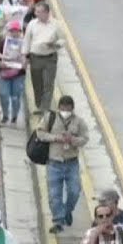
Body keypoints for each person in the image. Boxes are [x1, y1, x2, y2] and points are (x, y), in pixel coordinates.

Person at [37, 95, 89, 233]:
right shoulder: (50, 118)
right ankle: (58, 221)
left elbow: (85, 139)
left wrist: (72, 140)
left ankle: (67, 211)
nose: (65, 110)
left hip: (71, 163)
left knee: (74, 191)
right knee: (54, 195)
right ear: (59, 107)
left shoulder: (79, 122)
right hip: (54, 162)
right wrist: (56, 138)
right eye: (63, 108)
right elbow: (40, 133)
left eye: (68, 108)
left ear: (72, 108)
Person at [23, 2, 65, 117]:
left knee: (48, 84)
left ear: (47, 12)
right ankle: (39, 104)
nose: (37, 14)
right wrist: (25, 57)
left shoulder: (56, 24)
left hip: (50, 58)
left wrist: (55, 45)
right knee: (37, 84)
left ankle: (45, 107)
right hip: (35, 57)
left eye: (40, 12)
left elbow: (62, 40)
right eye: (36, 12)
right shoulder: (32, 24)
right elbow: (27, 40)